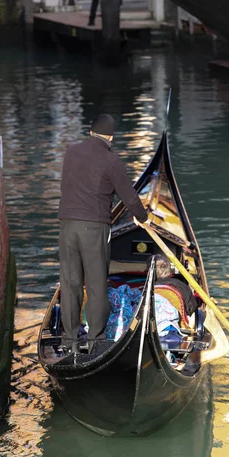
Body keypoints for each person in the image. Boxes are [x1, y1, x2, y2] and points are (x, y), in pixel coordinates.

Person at [58, 114, 148, 352]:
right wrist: (143, 217)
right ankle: (95, 340)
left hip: (67, 226)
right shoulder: (111, 160)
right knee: (97, 285)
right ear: (111, 137)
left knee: (70, 284)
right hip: (94, 228)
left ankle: (69, 342)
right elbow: (129, 197)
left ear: (90, 132)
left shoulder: (71, 151)